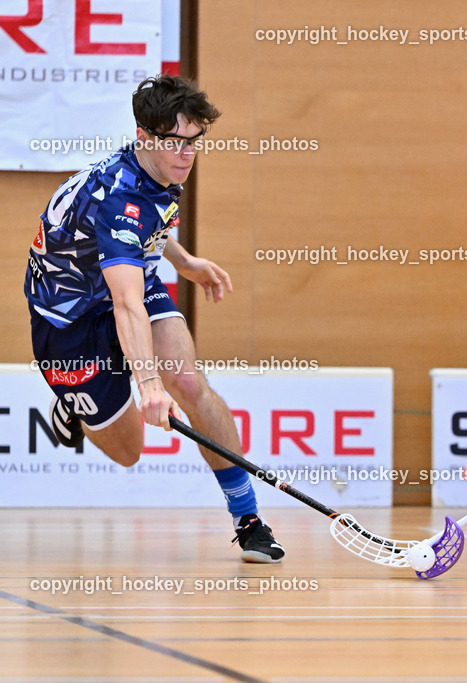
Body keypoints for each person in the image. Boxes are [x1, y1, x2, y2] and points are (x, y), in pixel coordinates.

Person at [25, 75, 285, 563]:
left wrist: (184, 263)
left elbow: (151, 229)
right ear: (144, 137)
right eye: (174, 144)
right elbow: (126, 305)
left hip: (125, 280)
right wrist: (147, 385)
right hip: (70, 315)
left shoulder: (160, 174)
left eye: (193, 143)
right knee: (129, 451)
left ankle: (247, 518)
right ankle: (75, 409)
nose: (185, 155)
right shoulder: (120, 199)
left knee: (187, 382)